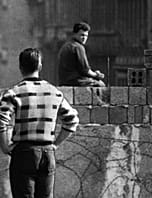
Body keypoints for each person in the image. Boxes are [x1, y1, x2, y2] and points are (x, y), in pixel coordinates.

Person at [0, 48, 79, 198]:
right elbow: (72, 120)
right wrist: (55, 144)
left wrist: (5, 146)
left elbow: (1, 119)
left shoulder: (13, 93)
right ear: (40, 66)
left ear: (20, 67)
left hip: (23, 153)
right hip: (47, 154)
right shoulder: (54, 92)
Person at [57, 22, 105, 86]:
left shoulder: (66, 45)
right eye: (82, 35)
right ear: (75, 34)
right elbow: (85, 70)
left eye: (86, 36)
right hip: (75, 81)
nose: (84, 38)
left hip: (63, 81)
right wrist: (97, 75)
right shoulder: (78, 47)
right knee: (101, 84)